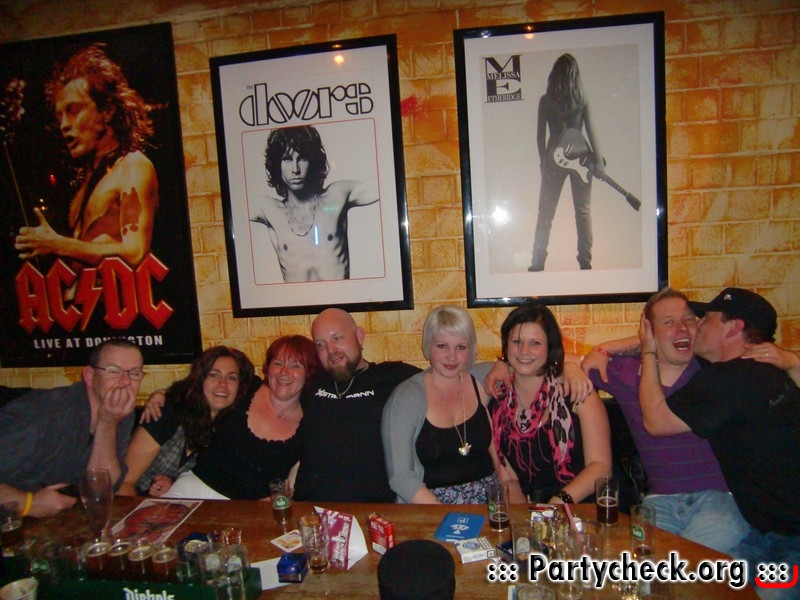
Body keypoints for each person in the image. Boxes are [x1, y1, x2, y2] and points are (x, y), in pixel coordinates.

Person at [637, 288, 800, 597]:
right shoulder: (766, 370)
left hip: (790, 538)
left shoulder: (728, 379)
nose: (696, 326)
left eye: (707, 318)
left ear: (734, 328)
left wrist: (648, 352)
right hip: (761, 531)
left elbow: (656, 422)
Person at [582, 288, 749, 553]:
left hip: (719, 500)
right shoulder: (626, 372)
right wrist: (586, 361)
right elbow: (549, 363)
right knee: (645, 559)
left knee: (687, 558)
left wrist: (616, 345)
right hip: (659, 502)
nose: (682, 328)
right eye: (668, 322)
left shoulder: (712, 370)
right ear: (649, 330)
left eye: (689, 319)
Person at [15, 43, 157, 270]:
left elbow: (135, 252)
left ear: (107, 110)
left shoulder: (133, 166)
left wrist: (58, 244)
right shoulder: (88, 179)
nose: (64, 125)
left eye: (73, 111)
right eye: (60, 116)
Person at [162, 335, 321, 500]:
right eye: (278, 363)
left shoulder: (310, 422)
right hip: (194, 487)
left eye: (295, 366)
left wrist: (275, 500)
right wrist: (160, 396)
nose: (284, 372)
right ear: (268, 367)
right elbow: (196, 390)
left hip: (247, 508)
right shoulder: (246, 387)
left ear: (309, 373)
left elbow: (293, 482)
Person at [0, 339, 141, 517]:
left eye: (135, 373)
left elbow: (102, 487)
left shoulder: (119, 413)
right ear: (89, 376)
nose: (126, 381)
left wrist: (107, 423)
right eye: (113, 371)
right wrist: (29, 504)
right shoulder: (44, 411)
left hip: (53, 523)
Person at [489, 303, 611, 504]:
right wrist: (526, 516)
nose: (524, 351)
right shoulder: (496, 402)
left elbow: (600, 467)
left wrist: (556, 505)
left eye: (535, 343)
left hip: (579, 506)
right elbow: (508, 477)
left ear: (549, 347)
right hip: (529, 511)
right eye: (517, 341)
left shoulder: (578, 392)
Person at [382, 306, 499, 504]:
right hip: (432, 504)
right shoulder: (406, 398)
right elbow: (401, 479)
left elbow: (525, 366)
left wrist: (502, 365)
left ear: (471, 349)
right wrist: (445, 515)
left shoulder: (481, 379)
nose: (451, 357)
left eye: (461, 347)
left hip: (490, 503)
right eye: (442, 346)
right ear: (428, 346)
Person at [119, 346, 255, 497]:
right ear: (200, 379)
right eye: (214, 375)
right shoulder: (167, 413)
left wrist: (171, 482)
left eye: (232, 378)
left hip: (167, 503)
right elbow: (125, 482)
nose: (222, 384)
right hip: (131, 499)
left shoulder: (224, 427)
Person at [250, 125, 379, 282]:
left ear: (313, 161)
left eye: (302, 158)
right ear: (277, 164)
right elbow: (231, 205)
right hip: (296, 298)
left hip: (339, 296)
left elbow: (385, 184)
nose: (295, 169)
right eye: (287, 159)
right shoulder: (269, 209)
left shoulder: (336, 196)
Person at [529, 53, 603, 272]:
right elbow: (591, 131)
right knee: (583, 211)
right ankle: (585, 262)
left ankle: (538, 262)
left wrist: (543, 162)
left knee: (545, 213)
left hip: (553, 159)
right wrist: (598, 161)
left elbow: (540, 137)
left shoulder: (546, 100)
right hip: (580, 156)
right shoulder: (581, 98)